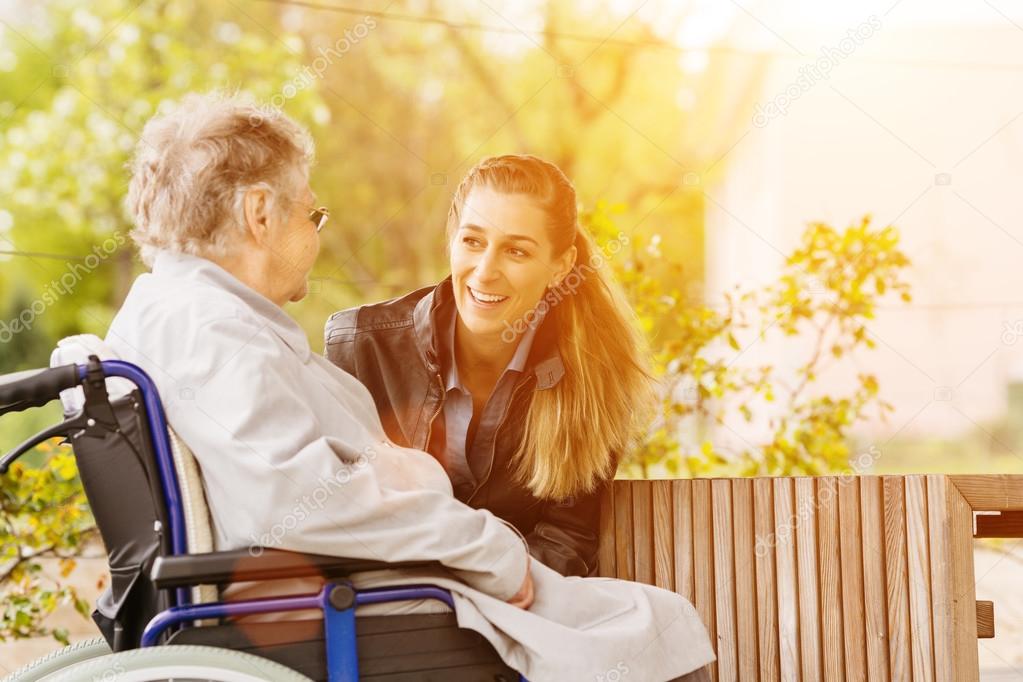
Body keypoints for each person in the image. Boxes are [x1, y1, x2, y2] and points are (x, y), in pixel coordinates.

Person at [105, 92, 714, 681]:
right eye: (310, 214)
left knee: (640, 623)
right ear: (261, 215)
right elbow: (297, 504)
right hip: (362, 603)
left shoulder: (183, 315)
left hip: (379, 582)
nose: (315, 236)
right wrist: (488, 550)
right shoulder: (214, 331)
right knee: (659, 624)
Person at [325, 154, 653, 579]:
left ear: (561, 266)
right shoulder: (360, 346)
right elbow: (336, 514)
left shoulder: (595, 378)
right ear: (452, 240)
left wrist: (481, 592)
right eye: (473, 241)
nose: (485, 271)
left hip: (518, 600)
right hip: (388, 601)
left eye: (516, 251)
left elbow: (566, 540)